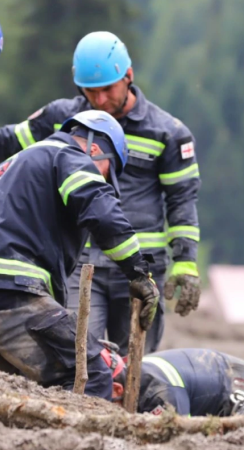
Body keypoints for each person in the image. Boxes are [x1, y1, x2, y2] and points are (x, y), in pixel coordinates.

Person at [0, 31, 201, 355]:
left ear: (128, 77)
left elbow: (182, 200)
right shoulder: (62, 120)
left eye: (108, 89)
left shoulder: (169, 133)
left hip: (141, 264)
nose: (101, 100)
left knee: (137, 361)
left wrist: (186, 262)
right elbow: (9, 143)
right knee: (79, 353)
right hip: (80, 264)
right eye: (91, 92)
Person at [0, 110, 159, 400]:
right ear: (95, 148)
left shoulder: (13, 163)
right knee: (90, 373)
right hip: (13, 290)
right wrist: (139, 272)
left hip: (10, 289)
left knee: (16, 384)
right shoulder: (69, 156)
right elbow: (104, 215)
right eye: (107, 174)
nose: (104, 182)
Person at [100, 343, 244, 416]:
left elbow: (180, 438)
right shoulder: (136, 373)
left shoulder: (161, 393)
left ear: (117, 389)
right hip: (227, 381)